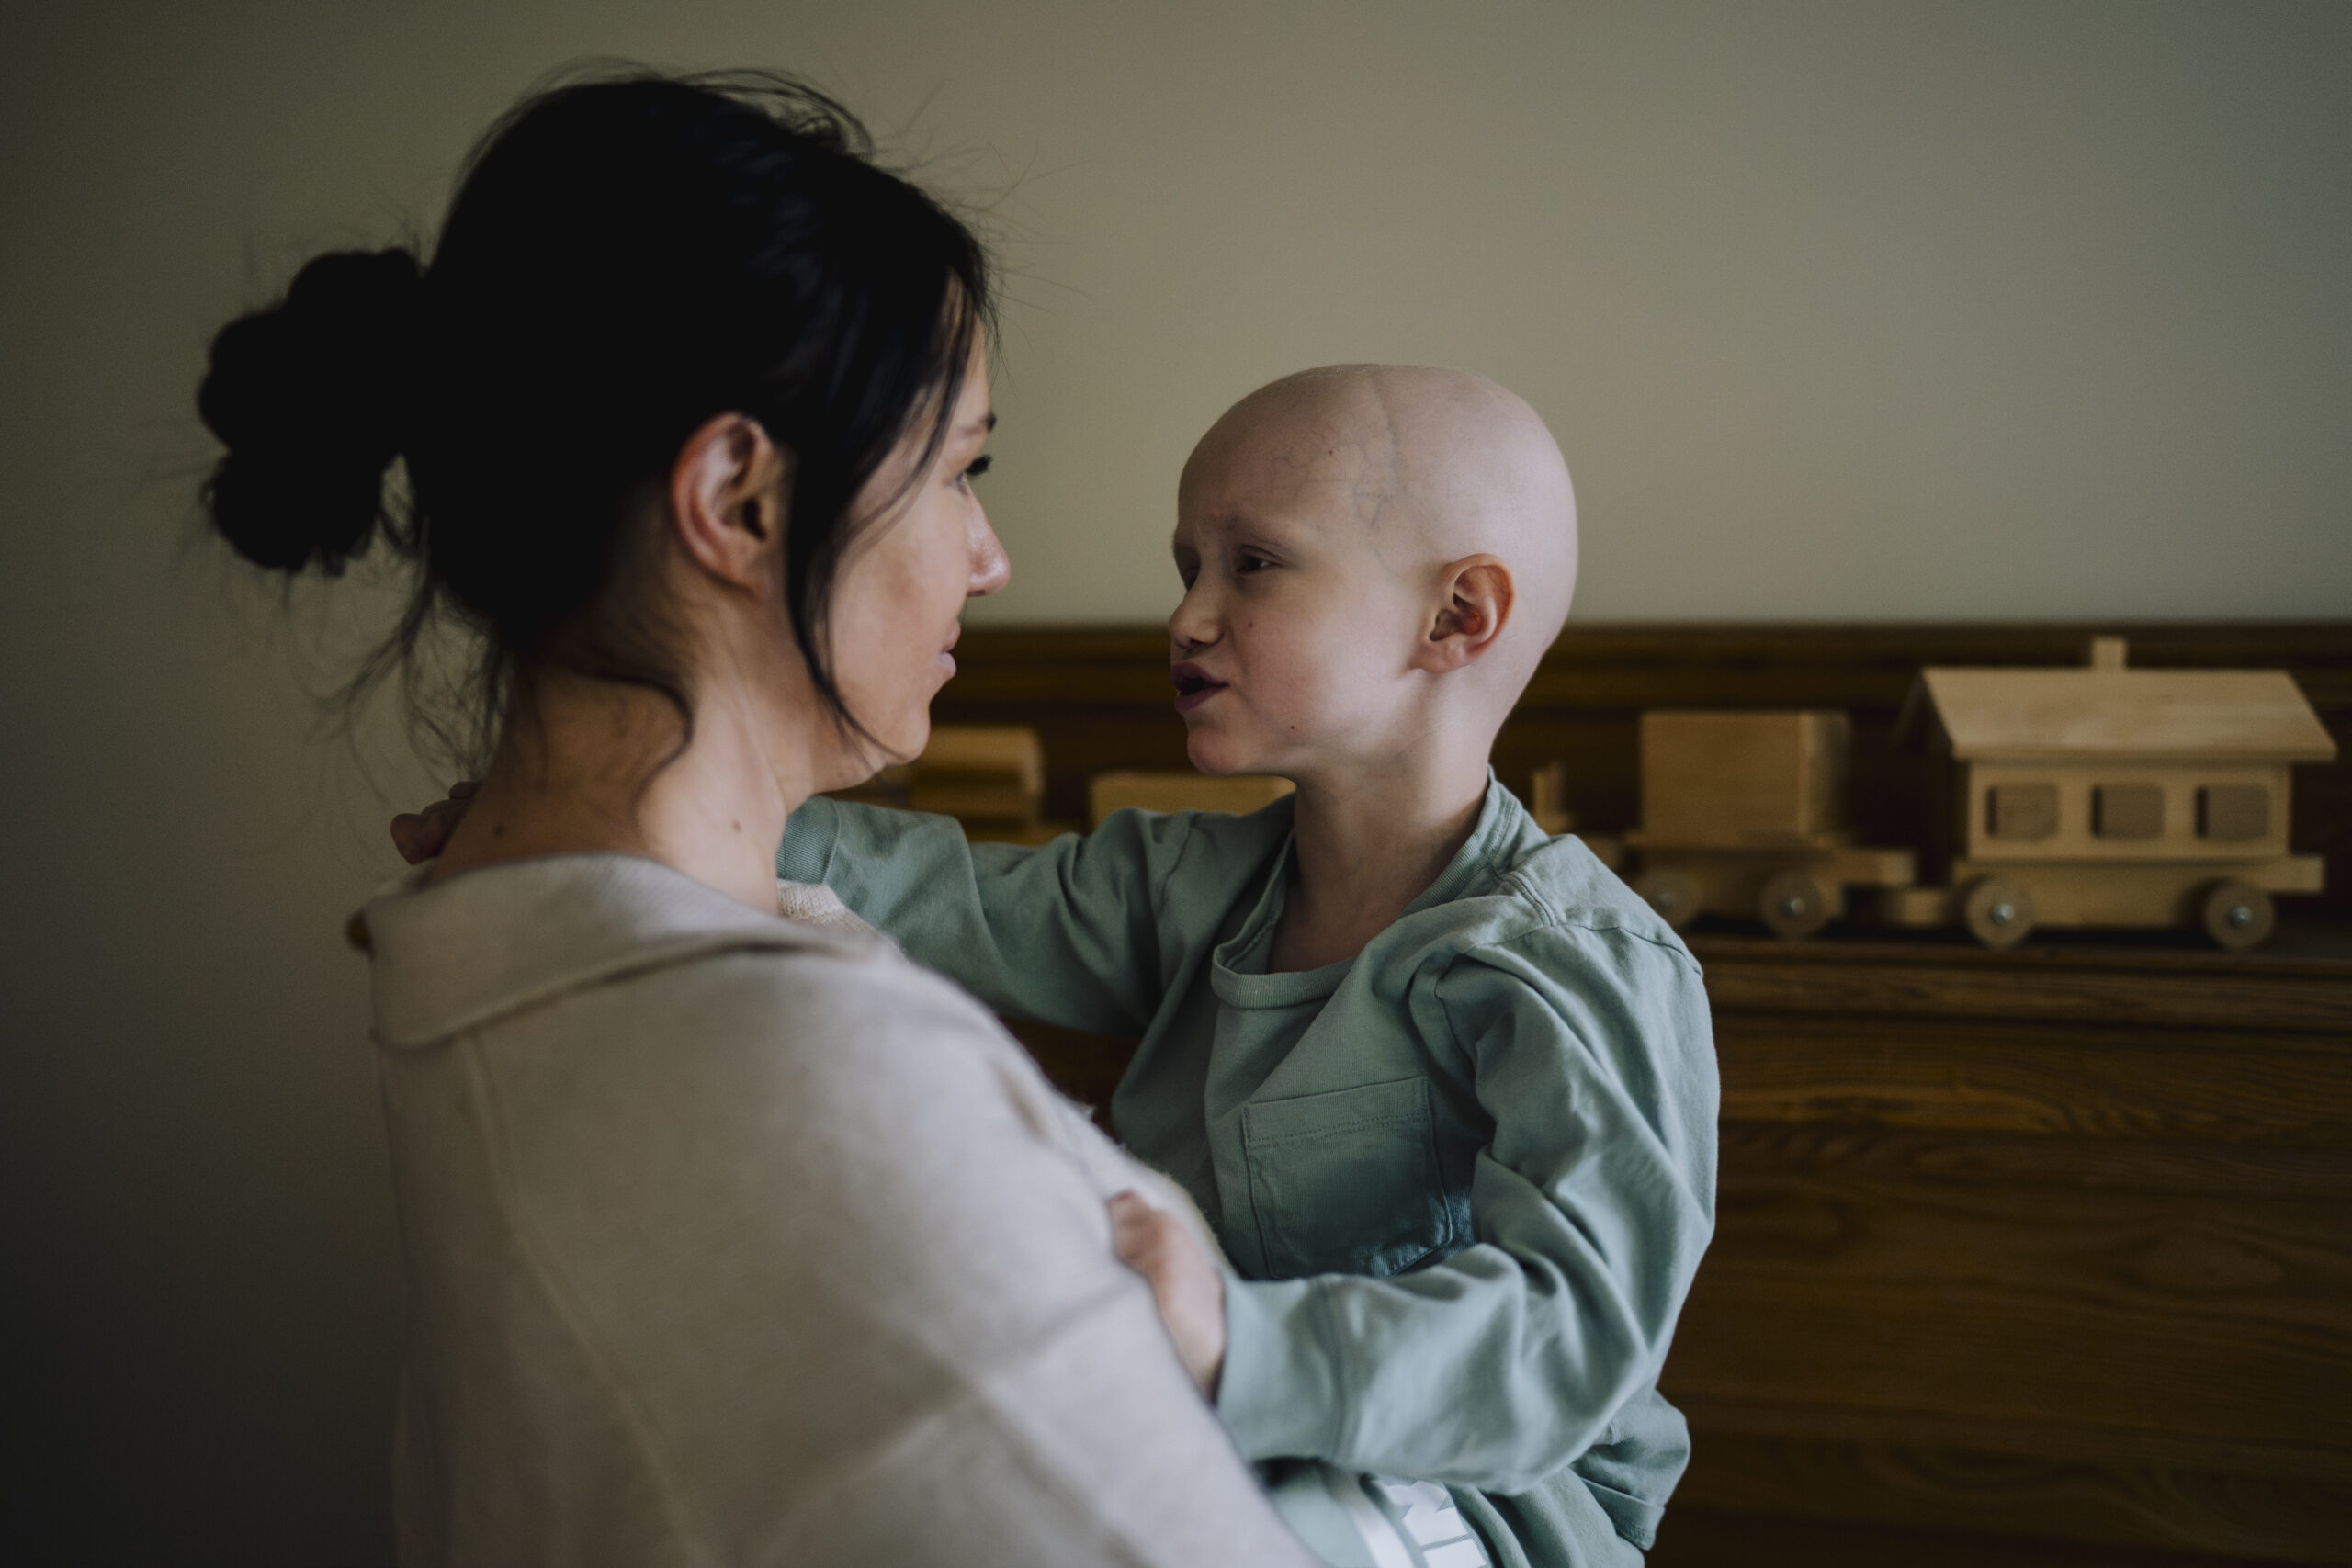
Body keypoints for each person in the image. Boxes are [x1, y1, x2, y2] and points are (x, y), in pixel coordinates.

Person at [199, 72, 1318, 1567]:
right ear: (738, 499)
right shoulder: (817, 1081)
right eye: (962, 468)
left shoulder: (486, 947)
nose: (988, 556)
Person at [768, 367, 1722, 1566]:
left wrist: (1238, 1343)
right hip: (1202, 1422)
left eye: (1253, 564)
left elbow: (1571, 1334)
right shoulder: (1190, 885)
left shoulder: (1568, 959)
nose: (1187, 616)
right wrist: (694, 791)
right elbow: (943, 899)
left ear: (1456, 617)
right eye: (1187, 568)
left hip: (1493, 1503)